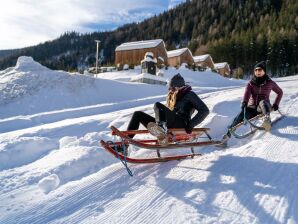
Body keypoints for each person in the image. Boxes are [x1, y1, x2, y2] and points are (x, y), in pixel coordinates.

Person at [126, 73, 209, 138]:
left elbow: (204, 110)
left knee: (158, 105)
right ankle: (125, 144)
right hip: (170, 123)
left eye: (173, 88)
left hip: (181, 123)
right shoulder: (173, 97)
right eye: (170, 88)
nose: (171, 91)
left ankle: (161, 129)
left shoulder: (189, 94)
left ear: (180, 87)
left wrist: (191, 124)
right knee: (138, 114)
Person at [223, 61, 283, 140]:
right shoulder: (251, 83)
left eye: (260, 70)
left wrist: (276, 104)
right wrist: (244, 102)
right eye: (256, 70)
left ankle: (267, 120)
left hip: (263, 107)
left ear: (264, 71)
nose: (258, 72)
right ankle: (227, 135)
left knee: (262, 101)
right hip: (252, 107)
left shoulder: (270, 83)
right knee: (241, 115)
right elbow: (247, 93)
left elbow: (280, 92)